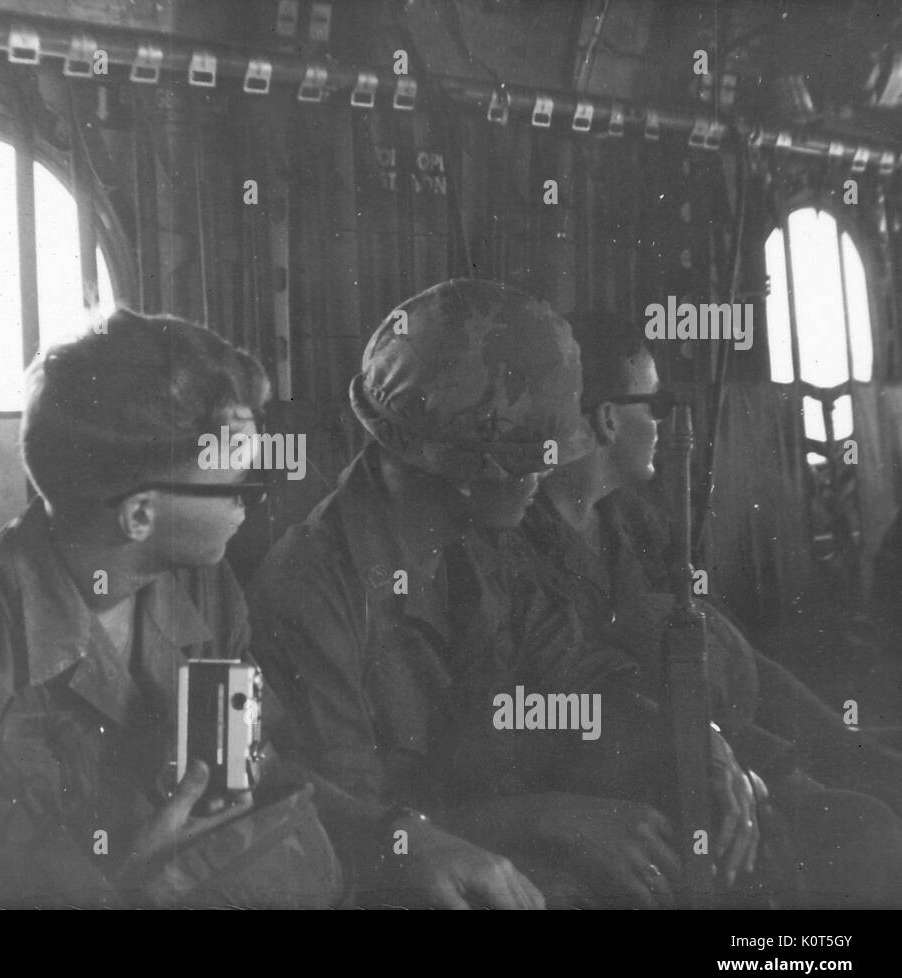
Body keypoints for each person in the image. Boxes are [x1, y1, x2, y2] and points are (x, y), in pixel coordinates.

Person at [0, 308, 542, 909]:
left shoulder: (203, 589)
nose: (255, 502)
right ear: (141, 514)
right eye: (238, 486)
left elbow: (254, 765)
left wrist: (404, 834)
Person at [248, 279, 767, 909]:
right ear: (451, 464)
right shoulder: (315, 591)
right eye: (527, 457)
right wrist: (546, 816)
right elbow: (352, 830)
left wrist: (693, 737)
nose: (549, 473)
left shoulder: (482, 536)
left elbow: (572, 678)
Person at [515, 310, 902, 904]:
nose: (667, 425)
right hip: (650, 779)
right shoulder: (523, 543)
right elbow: (580, 698)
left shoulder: (633, 521)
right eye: (658, 406)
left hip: (720, 739)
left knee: (874, 781)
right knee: (864, 825)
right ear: (609, 420)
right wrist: (734, 756)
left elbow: (722, 648)